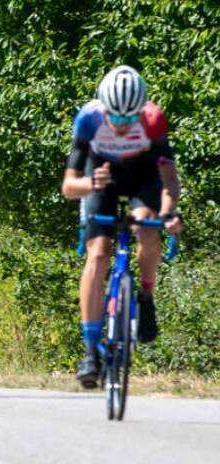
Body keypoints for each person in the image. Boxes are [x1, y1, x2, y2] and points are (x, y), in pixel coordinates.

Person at [61, 65, 183, 388]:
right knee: (98, 255)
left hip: (142, 176)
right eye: (116, 117)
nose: (121, 124)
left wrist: (169, 213)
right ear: (104, 109)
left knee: (147, 228)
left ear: (141, 111)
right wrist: (90, 183)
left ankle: (144, 296)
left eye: (130, 119)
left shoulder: (154, 121)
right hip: (101, 178)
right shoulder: (89, 120)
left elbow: (169, 180)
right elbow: (68, 187)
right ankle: (90, 350)